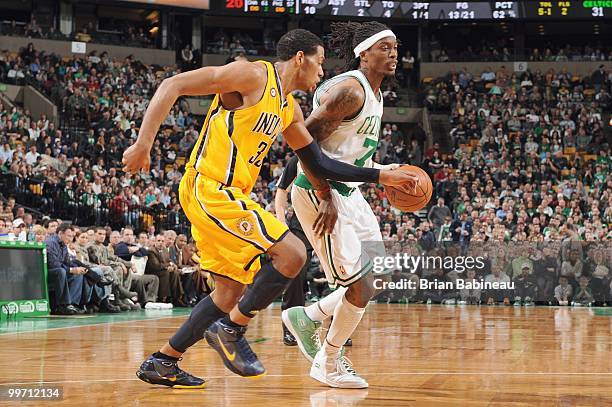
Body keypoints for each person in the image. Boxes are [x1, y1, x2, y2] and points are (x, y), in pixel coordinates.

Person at [123, 28, 418, 388]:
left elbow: (319, 164)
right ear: (300, 58)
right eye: (320, 64)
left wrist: (379, 176)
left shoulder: (288, 109)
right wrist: (143, 144)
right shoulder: (252, 74)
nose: (323, 73)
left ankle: (163, 361)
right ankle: (232, 328)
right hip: (209, 186)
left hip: (232, 196)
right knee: (292, 254)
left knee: (228, 293)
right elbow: (173, 85)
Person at [282, 21, 405, 388]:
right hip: (321, 193)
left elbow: (351, 154)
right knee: (360, 286)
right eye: (384, 47)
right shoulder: (351, 91)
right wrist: (323, 196)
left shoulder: (376, 94)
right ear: (364, 53)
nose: (393, 53)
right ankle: (329, 360)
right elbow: (306, 148)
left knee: (378, 276)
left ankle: (308, 316)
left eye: (395, 47)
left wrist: (385, 169)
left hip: (348, 191)